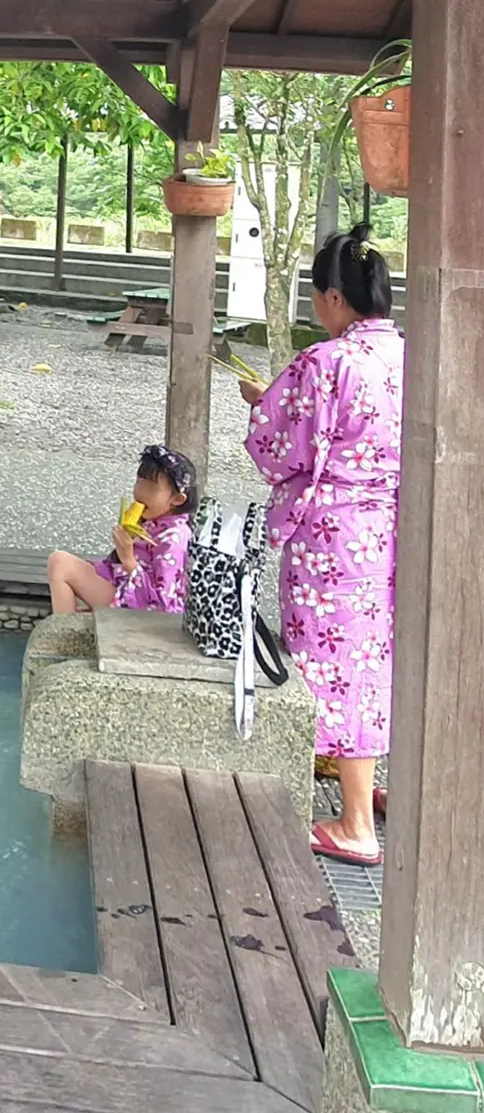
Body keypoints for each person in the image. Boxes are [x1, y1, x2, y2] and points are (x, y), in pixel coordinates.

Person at [239, 224, 402, 867]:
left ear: (334, 298)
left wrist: (263, 402)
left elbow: (278, 448)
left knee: (335, 665)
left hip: (333, 539)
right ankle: (367, 787)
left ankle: (356, 821)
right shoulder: (406, 354)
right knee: (375, 658)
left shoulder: (327, 361)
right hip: (389, 530)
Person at [46, 444, 198, 616]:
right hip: (123, 589)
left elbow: (163, 605)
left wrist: (128, 558)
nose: (140, 493)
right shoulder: (151, 521)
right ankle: (67, 624)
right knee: (64, 564)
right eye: (139, 484)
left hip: (141, 609)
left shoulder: (174, 537)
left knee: (60, 563)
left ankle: (64, 633)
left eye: (151, 489)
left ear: (177, 499)